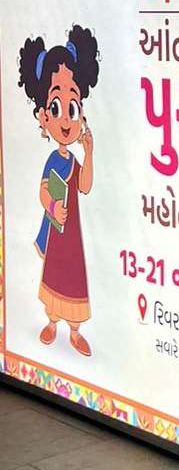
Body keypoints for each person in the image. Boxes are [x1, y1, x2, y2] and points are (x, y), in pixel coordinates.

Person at [17, 26, 100, 358]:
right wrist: (53, 207)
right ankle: (52, 322)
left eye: (72, 107)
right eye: (55, 107)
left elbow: (85, 186)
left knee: (74, 278)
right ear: (43, 116)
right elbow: (43, 190)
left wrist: (89, 153)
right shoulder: (54, 159)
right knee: (54, 275)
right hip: (57, 232)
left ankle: (75, 331)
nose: (65, 119)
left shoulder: (74, 161)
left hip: (72, 235)